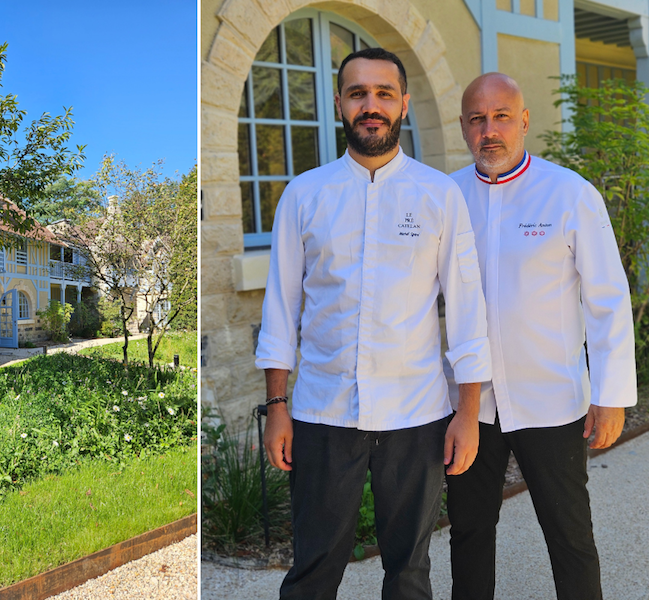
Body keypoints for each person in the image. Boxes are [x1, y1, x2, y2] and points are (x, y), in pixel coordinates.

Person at [256, 47, 492, 600]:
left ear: (403, 105)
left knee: (409, 573)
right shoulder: (304, 196)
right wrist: (277, 407)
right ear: (339, 104)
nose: (371, 105)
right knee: (313, 571)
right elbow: (280, 312)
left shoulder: (440, 196)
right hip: (322, 413)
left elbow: (465, 310)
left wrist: (470, 413)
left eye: (384, 94)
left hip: (416, 415)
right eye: (358, 93)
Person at [447, 72, 637, 600]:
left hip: (551, 403)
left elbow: (607, 299)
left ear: (524, 121)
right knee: (468, 534)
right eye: (478, 119)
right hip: (471, 407)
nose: (490, 130)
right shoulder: (448, 198)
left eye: (502, 116)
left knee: (571, 538)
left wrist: (612, 395)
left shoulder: (571, 194)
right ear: (463, 127)